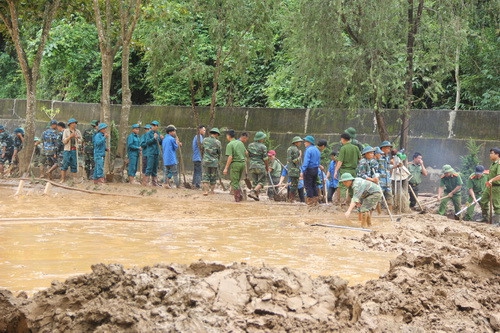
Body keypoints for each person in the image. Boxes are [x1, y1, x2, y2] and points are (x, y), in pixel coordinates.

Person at [334, 133, 361, 203]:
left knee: (343, 187)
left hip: (344, 171)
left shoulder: (343, 148)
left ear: (343, 139)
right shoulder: (356, 148)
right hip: (353, 171)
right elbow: (360, 158)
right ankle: (352, 203)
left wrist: (336, 171)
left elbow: (340, 161)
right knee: (352, 186)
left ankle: (342, 203)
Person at [223, 129, 246, 202]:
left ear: (228, 136)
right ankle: (240, 196)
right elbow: (246, 152)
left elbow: (230, 157)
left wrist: (226, 168)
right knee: (237, 180)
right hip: (242, 163)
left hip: (235, 164)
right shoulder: (240, 143)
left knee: (234, 181)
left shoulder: (230, 144)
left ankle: (238, 198)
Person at [479, 148, 500, 225]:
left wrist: (491, 180)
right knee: (483, 200)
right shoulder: (493, 164)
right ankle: (485, 217)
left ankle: (497, 222)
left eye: (491, 153)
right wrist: (488, 182)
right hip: (490, 186)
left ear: (497, 154)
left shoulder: (499, 164)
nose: (490, 155)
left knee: (496, 205)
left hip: (497, 187)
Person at [247, 131, 269, 201]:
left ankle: (256, 197)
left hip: (252, 166)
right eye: (263, 138)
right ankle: (253, 192)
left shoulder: (250, 145)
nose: (264, 139)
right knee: (262, 181)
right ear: (260, 139)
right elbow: (265, 158)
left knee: (255, 182)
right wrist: (267, 167)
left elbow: (248, 154)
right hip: (260, 166)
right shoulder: (263, 146)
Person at [60, 118, 82, 183]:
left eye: (75, 123)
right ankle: (63, 179)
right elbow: (64, 141)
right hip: (67, 150)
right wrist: (70, 136)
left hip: (74, 150)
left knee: (74, 164)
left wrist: (77, 138)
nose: (74, 124)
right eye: (73, 123)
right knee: (65, 163)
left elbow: (81, 141)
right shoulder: (66, 131)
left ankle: (74, 179)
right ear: (69, 124)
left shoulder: (78, 131)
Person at [301, 135, 321, 206]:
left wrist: (302, 170)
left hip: (309, 170)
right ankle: (316, 201)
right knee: (313, 185)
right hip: (315, 170)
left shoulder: (308, 150)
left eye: (305, 142)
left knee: (308, 185)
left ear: (309, 142)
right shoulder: (317, 150)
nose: (304, 143)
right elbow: (319, 162)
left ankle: (310, 201)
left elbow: (306, 161)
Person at [201, 127, 222, 196]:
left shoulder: (204, 140)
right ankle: (212, 191)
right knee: (213, 177)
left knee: (205, 176)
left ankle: (205, 191)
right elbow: (219, 153)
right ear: (216, 134)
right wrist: (218, 161)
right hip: (214, 162)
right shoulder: (218, 142)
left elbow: (202, 150)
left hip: (205, 161)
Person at [142, 120, 162, 186]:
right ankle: (145, 182)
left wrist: (161, 139)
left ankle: (154, 182)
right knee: (149, 167)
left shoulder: (158, 133)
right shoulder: (148, 133)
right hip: (150, 152)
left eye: (154, 125)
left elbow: (160, 143)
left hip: (156, 152)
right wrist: (154, 138)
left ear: (157, 126)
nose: (153, 126)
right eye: (152, 125)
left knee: (155, 167)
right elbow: (147, 142)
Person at [378, 141, 396, 212]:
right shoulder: (378, 156)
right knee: (378, 198)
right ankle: (378, 212)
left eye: (389, 149)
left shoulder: (387, 157)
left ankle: (389, 212)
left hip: (387, 181)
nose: (388, 150)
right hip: (380, 181)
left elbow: (388, 167)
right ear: (383, 148)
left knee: (389, 197)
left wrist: (395, 166)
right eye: (387, 148)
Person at [286, 136, 303, 202]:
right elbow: (295, 161)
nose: (300, 143)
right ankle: (291, 199)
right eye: (299, 142)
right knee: (294, 185)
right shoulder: (295, 149)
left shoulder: (289, 148)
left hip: (290, 169)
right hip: (294, 170)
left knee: (292, 184)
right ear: (296, 142)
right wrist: (300, 156)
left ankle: (289, 198)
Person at [192, 125, 206, 189]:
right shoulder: (199, 137)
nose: (204, 131)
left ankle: (193, 183)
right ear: (200, 130)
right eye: (204, 130)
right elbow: (201, 146)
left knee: (196, 171)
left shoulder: (197, 136)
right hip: (198, 157)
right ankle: (197, 184)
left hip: (195, 157)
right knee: (198, 171)